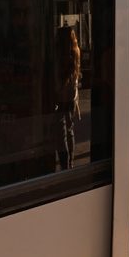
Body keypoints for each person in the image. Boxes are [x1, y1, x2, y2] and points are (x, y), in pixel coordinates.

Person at [55, 26, 81, 170]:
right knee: (70, 129)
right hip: (72, 95)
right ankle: (71, 161)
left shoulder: (58, 55)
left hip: (59, 96)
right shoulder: (76, 52)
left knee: (61, 131)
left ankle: (64, 163)